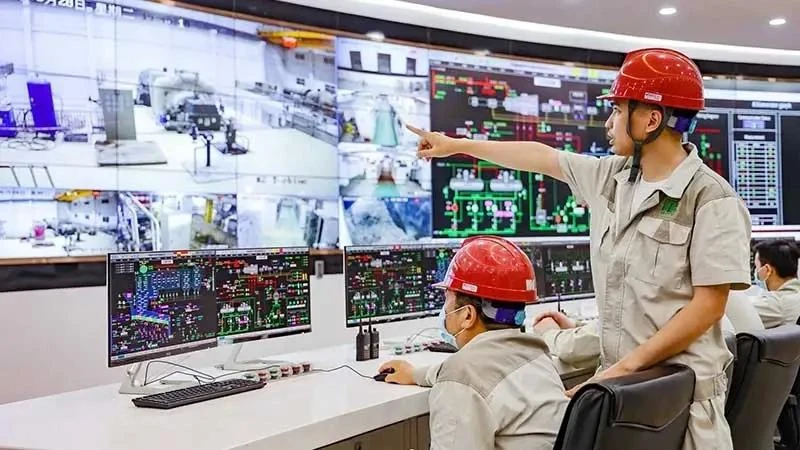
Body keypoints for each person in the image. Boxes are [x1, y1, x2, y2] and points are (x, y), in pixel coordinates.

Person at [408, 47, 752, 450]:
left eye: (618, 111)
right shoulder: (611, 179)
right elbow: (542, 157)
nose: (609, 123)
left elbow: (709, 305)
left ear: (651, 119)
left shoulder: (711, 199)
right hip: (622, 395)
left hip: (682, 404)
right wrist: (457, 145)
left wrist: (622, 368)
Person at [379, 236, 568, 450]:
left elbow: (463, 376)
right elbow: (474, 372)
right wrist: (413, 374)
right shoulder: (536, 355)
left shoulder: (462, 377)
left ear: (468, 316)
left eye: (447, 299)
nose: (445, 310)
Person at [748, 239, 800, 328]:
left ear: (767, 270)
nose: (755, 272)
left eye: (756, 267)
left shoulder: (778, 304)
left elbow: (734, 312)